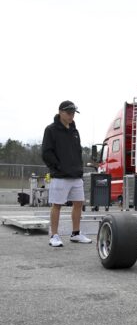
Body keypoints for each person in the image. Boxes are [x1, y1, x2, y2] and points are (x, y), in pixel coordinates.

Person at [42, 101, 93, 247]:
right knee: (57, 205)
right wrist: (58, 167)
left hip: (75, 175)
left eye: (73, 113)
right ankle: (54, 235)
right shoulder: (51, 130)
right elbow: (46, 153)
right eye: (69, 113)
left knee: (79, 203)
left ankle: (76, 233)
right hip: (60, 175)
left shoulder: (74, 131)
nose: (71, 116)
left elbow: (77, 151)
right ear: (60, 112)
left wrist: (79, 167)